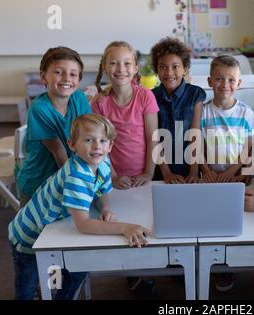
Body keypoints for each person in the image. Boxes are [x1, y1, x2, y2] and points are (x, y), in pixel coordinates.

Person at [8, 114, 150, 300]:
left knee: (75, 270)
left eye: (102, 140)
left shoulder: (103, 161)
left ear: (110, 146)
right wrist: (125, 227)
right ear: (72, 145)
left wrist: (105, 208)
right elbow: (84, 224)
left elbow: (102, 189)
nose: (97, 146)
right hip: (29, 235)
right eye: (89, 140)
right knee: (28, 285)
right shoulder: (77, 175)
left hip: (52, 230)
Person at [16, 46, 91, 207]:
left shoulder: (79, 99)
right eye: (58, 72)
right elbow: (59, 151)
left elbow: (90, 137)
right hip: (38, 184)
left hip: (67, 177)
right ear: (43, 76)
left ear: (79, 80)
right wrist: (76, 187)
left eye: (73, 74)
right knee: (34, 231)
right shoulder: (39, 108)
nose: (66, 78)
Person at [91, 41, 159, 189]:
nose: (121, 69)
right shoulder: (99, 102)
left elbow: (152, 138)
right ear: (104, 67)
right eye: (114, 63)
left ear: (135, 68)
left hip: (144, 177)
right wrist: (113, 176)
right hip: (112, 178)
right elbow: (100, 143)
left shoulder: (145, 97)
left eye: (127, 63)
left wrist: (148, 173)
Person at [150, 37, 206, 183]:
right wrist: (166, 173)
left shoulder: (195, 94)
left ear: (185, 69)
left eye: (175, 66)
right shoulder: (151, 96)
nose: (169, 72)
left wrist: (194, 170)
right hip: (161, 171)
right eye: (163, 67)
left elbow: (196, 134)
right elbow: (154, 137)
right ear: (157, 70)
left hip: (189, 169)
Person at [200, 55, 254, 184]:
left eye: (231, 80)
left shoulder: (246, 113)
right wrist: (206, 171)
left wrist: (232, 172)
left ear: (239, 83)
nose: (225, 84)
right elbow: (198, 147)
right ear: (210, 81)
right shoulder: (203, 112)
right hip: (211, 177)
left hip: (236, 176)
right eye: (219, 79)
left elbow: (250, 147)